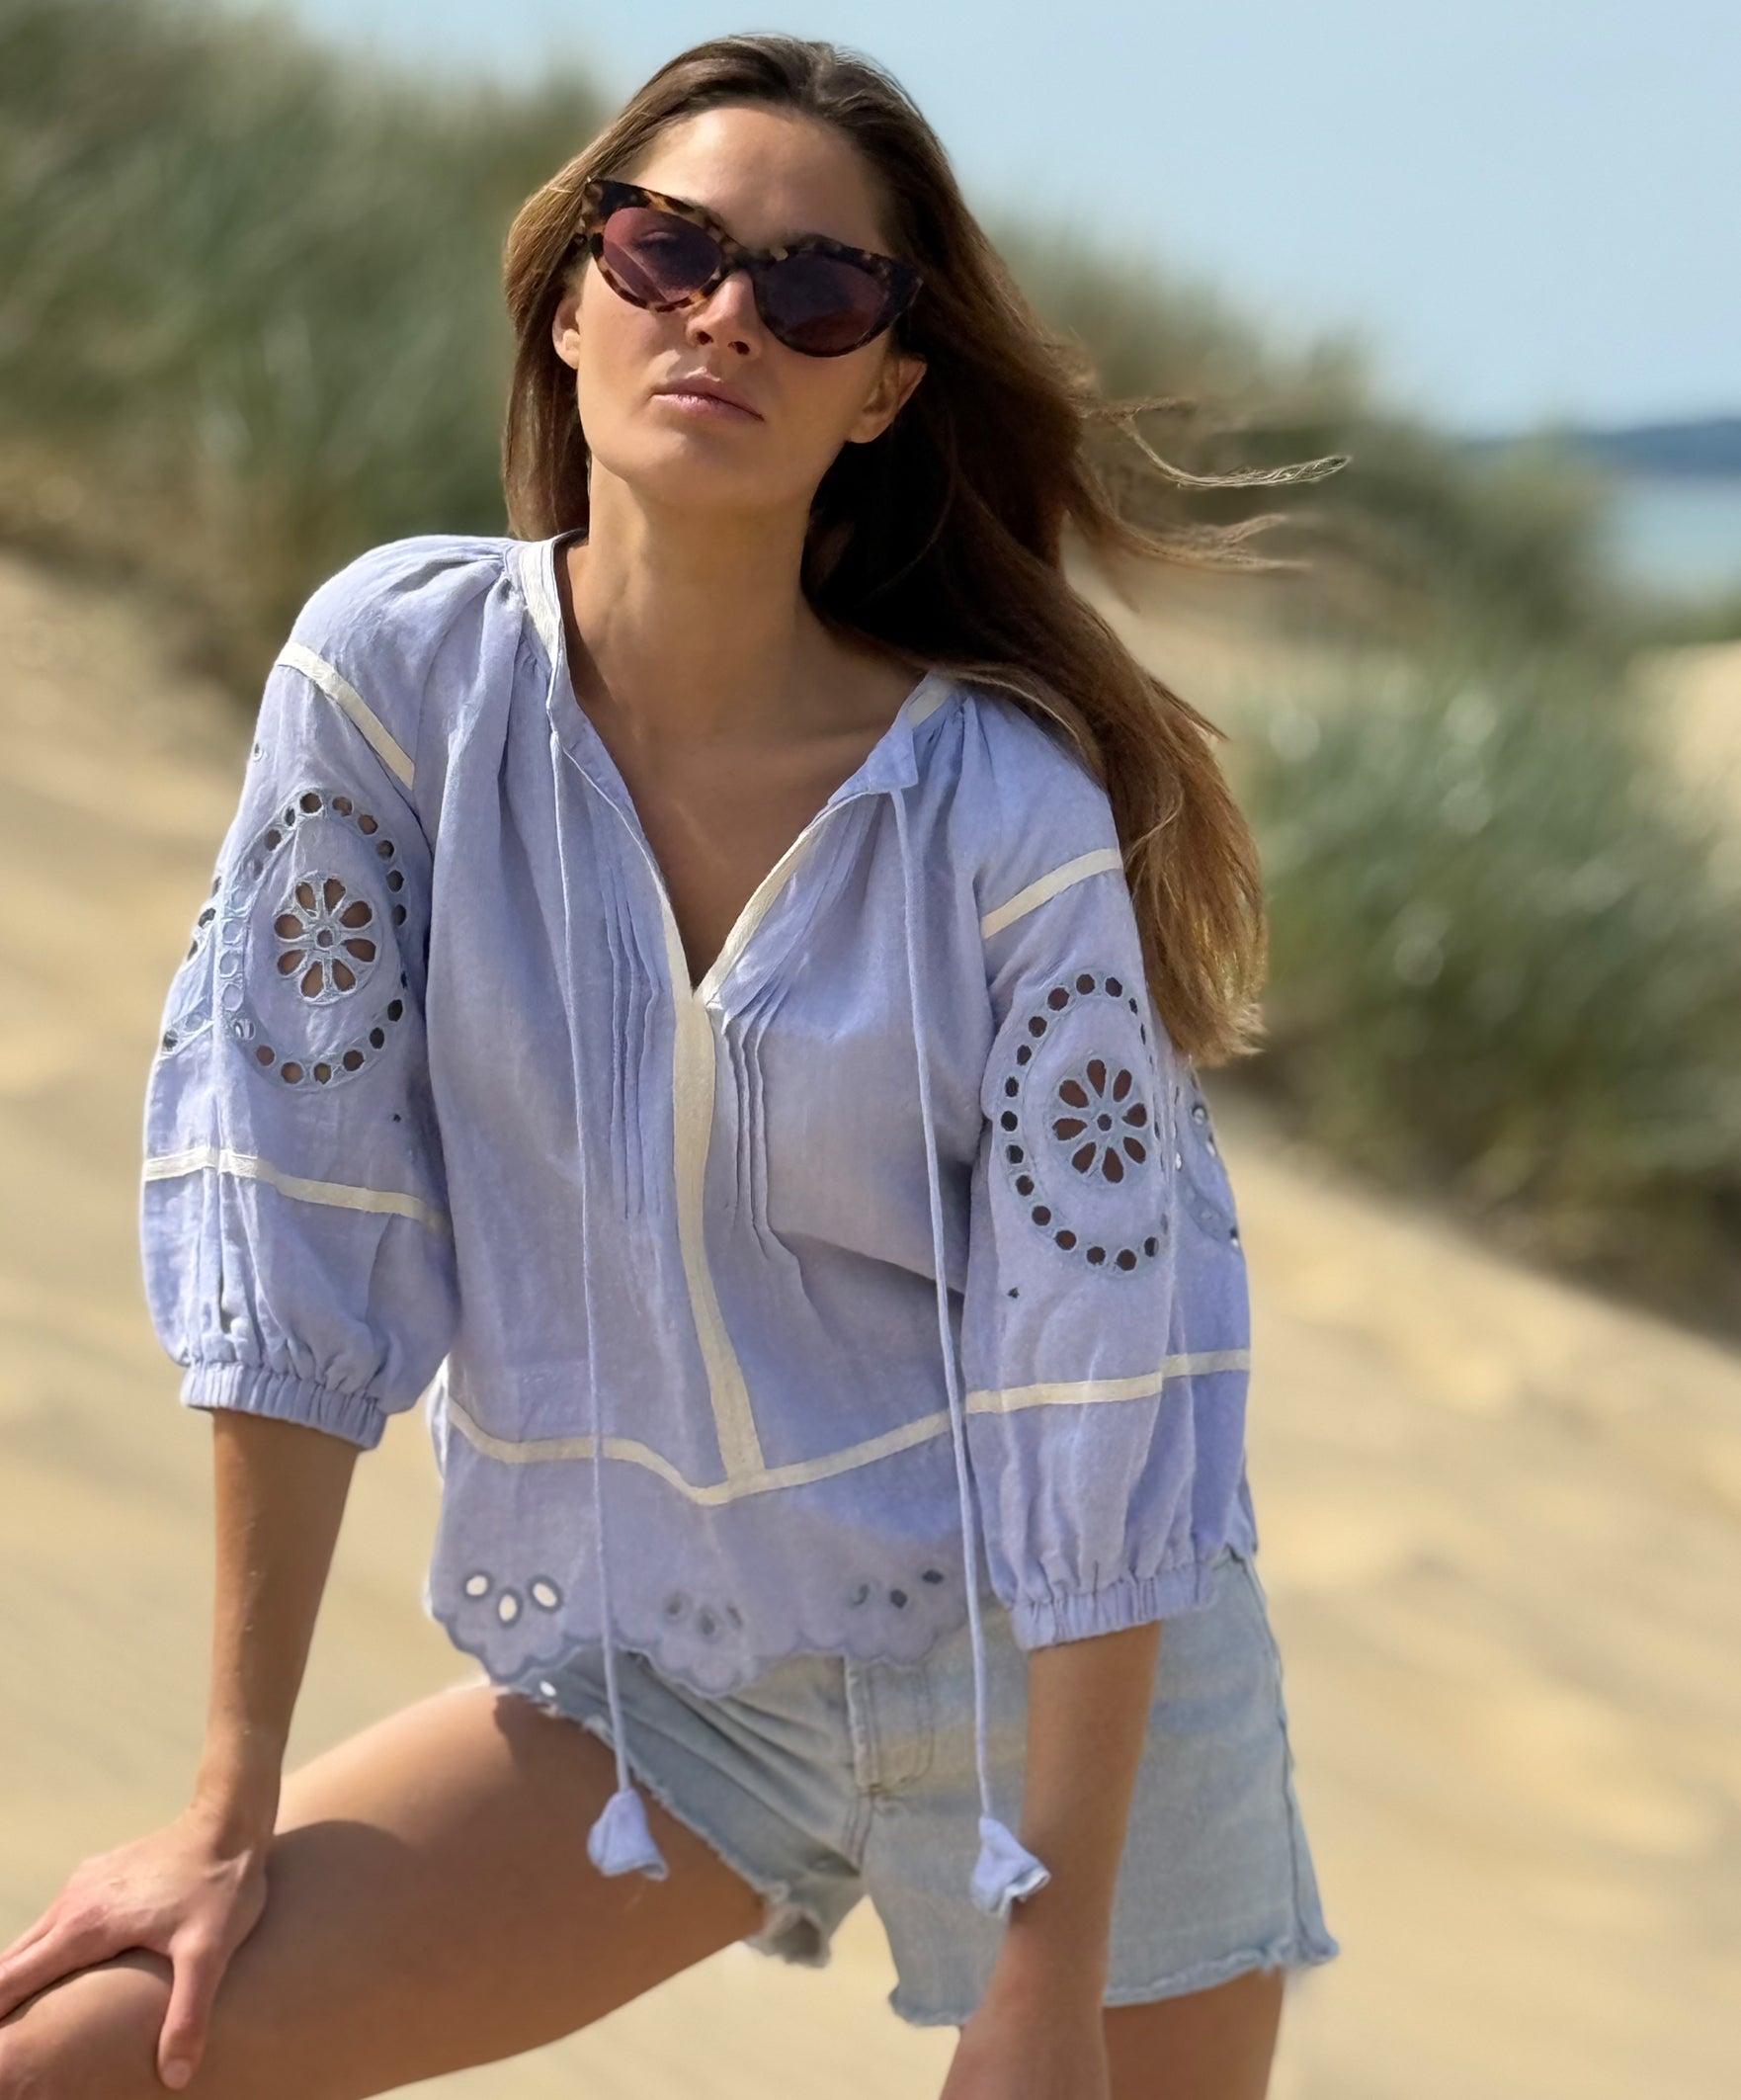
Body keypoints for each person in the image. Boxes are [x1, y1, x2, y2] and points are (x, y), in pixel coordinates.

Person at [0, 32, 1344, 2100]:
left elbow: (1103, 1380)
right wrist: (222, 1799)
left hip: (1075, 1707)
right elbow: (296, 1219)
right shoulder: (398, 681)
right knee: (85, 2056)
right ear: (569, 300)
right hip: (671, 1674)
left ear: (882, 387)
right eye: (667, 251)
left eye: (816, 290)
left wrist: (1045, 1971)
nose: (724, 315)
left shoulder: (997, 814)